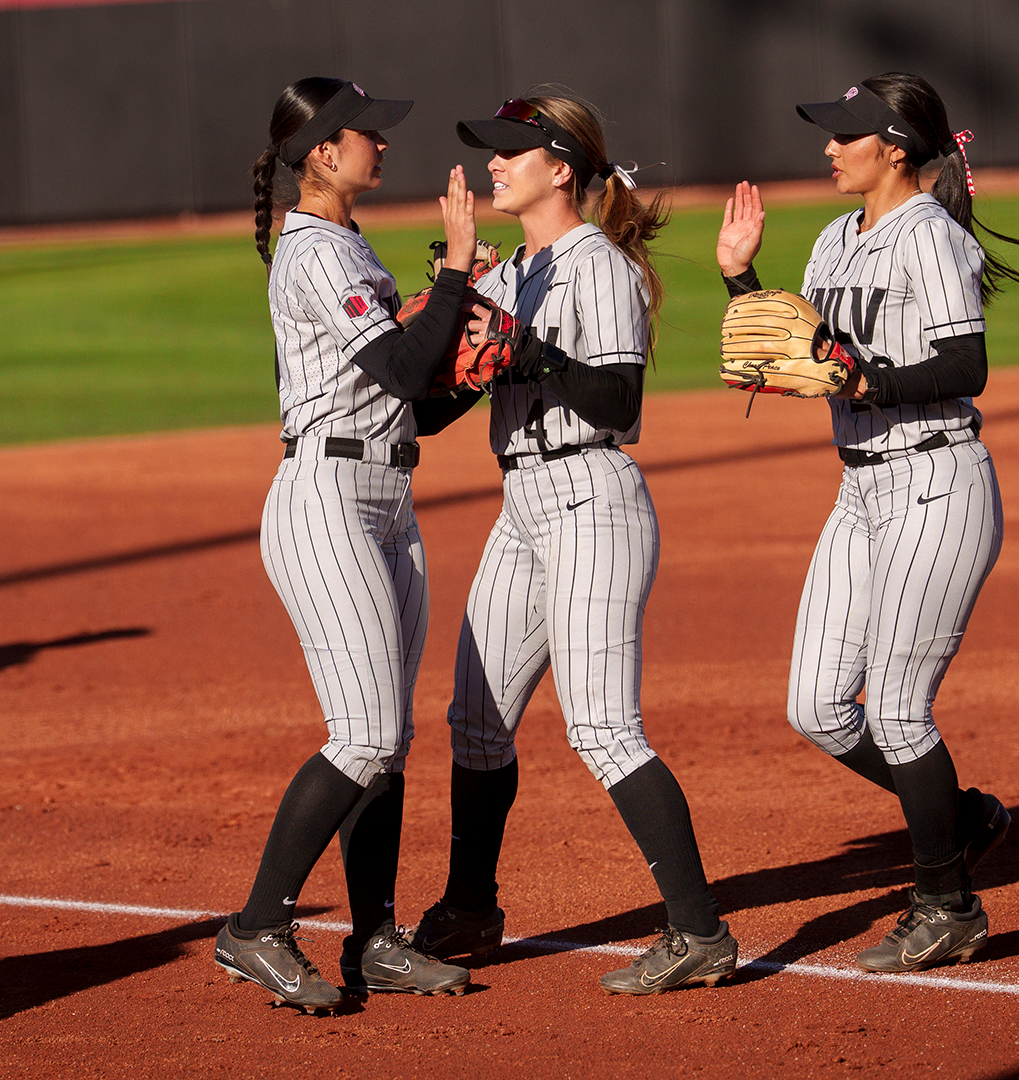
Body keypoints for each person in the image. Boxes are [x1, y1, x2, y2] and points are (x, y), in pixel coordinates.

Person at [406, 92, 738, 995]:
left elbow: (618, 401)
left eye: (513, 151)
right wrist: (436, 336)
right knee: (474, 722)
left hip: (593, 497)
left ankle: (698, 929)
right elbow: (441, 410)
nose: (494, 165)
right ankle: (471, 910)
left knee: (602, 728)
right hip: (522, 505)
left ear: (562, 167)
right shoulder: (507, 272)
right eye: (492, 150)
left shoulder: (601, 269)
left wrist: (518, 351)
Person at [716, 73, 1019, 973]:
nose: (828, 146)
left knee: (899, 708)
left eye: (845, 134)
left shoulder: (931, 237)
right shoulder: (833, 237)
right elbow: (806, 348)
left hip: (938, 485)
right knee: (818, 707)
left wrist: (869, 382)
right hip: (860, 492)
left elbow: (966, 362)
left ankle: (947, 905)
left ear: (893, 148)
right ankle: (965, 818)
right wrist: (742, 277)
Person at [211, 76, 489, 1013]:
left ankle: (374, 940)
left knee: (390, 740)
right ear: (323, 153)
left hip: (384, 496)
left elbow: (419, 398)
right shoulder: (318, 254)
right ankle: (256, 925)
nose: (383, 144)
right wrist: (452, 275)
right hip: (327, 499)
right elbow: (406, 361)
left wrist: (481, 360)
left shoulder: (349, 245)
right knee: (364, 732)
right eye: (368, 134)